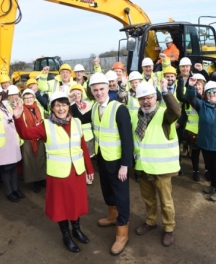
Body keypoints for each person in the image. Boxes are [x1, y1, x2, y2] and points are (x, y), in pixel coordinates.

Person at [13, 91, 94, 253]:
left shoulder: (76, 122)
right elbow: (26, 134)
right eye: (57, 105)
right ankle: (66, 236)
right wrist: (17, 118)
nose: (61, 108)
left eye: (64, 104)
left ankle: (76, 229)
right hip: (59, 175)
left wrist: (89, 168)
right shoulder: (45, 125)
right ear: (52, 108)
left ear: (68, 106)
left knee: (75, 203)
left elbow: (82, 146)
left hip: (76, 172)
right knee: (62, 206)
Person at [70, 72, 133, 256]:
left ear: (108, 88)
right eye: (95, 90)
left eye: (101, 89)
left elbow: (127, 139)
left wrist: (125, 165)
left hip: (117, 162)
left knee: (121, 196)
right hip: (103, 159)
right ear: (91, 91)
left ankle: (122, 232)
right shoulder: (96, 108)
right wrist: (71, 103)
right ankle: (112, 215)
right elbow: (81, 121)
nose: (98, 93)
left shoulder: (118, 109)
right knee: (107, 190)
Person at [132, 79, 180, 246]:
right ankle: (151, 221)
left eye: (149, 97)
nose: (146, 101)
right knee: (148, 199)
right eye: (142, 98)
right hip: (143, 167)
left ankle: (168, 228)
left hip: (161, 168)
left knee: (166, 201)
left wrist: (166, 91)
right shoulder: (137, 116)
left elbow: (176, 110)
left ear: (156, 98)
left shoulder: (165, 115)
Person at [176, 73, 208, 181]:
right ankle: (196, 171)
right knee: (195, 152)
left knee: (206, 152)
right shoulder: (189, 99)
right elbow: (185, 112)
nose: (197, 87)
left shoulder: (208, 97)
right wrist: (179, 122)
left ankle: (207, 170)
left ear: (204, 85)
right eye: (195, 85)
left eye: (199, 84)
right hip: (192, 131)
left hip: (205, 130)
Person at [20, 88, 47, 193]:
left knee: (41, 159)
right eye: (25, 98)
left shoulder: (39, 107)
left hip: (40, 137)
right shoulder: (21, 109)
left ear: (34, 97)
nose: (28, 100)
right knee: (31, 161)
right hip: (28, 138)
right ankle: (35, 182)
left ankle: (42, 179)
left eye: (30, 97)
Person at [68, 84, 95, 185]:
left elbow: (87, 118)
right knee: (80, 157)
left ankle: (88, 174)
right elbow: (79, 118)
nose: (77, 95)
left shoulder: (88, 104)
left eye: (79, 93)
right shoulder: (69, 106)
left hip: (88, 136)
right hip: (76, 136)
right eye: (74, 93)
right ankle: (83, 176)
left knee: (88, 158)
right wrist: (72, 103)